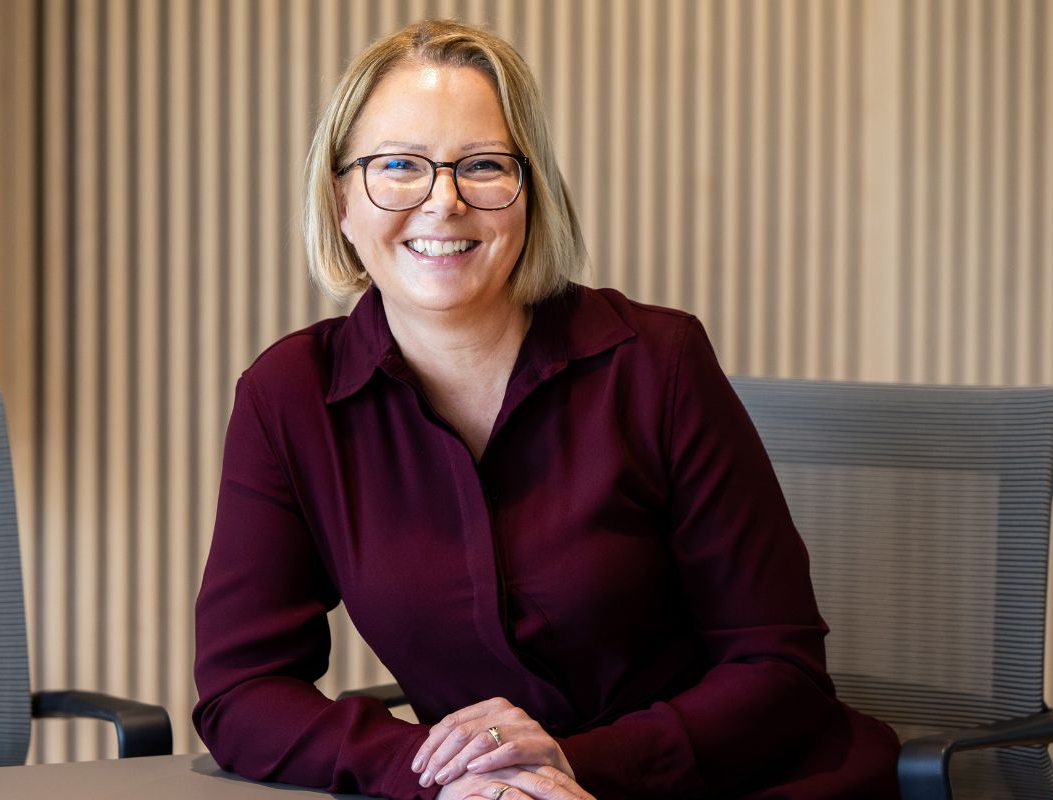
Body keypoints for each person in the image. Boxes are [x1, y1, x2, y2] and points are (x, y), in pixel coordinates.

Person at [193, 18, 899, 800]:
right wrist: (430, 771)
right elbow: (242, 691)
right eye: (397, 165)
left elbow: (782, 673)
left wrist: (572, 766)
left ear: (531, 194)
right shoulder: (289, 397)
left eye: (485, 166)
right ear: (341, 201)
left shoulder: (656, 364)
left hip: (724, 783)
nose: (444, 201)